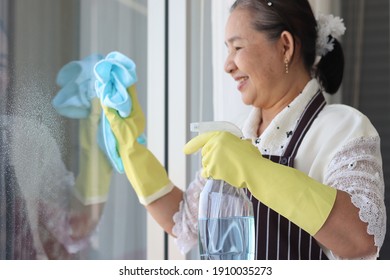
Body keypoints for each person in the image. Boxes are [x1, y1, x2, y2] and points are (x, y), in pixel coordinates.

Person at [102, 0, 386, 260]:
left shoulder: (342, 128)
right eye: (227, 49)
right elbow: (185, 220)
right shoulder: (238, 131)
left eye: (237, 47)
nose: (227, 65)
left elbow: (361, 238)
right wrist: (131, 147)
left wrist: (255, 170)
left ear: (285, 46)